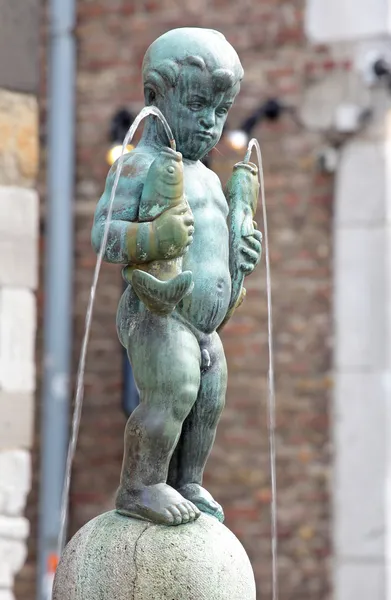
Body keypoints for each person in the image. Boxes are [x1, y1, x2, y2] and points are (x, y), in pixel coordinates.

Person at [91, 28, 262, 526]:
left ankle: (187, 478)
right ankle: (141, 483)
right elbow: (104, 233)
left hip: (204, 323)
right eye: (198, 107)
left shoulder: (209, 176)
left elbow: (215, 242)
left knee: (208, 399)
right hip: (158, 311)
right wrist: (153, 238)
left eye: (221, 111)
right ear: (154, 99)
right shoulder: (140, 165)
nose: (211, 124)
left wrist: (241, 250)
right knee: (173, 391)